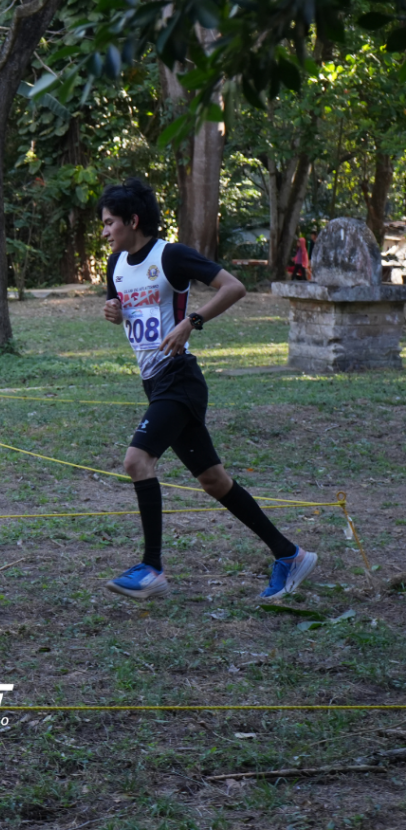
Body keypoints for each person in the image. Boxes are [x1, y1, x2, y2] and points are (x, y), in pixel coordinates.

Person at [98, 178, 317, 601]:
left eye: (110, 223)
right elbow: (123, 308)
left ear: (133, 220)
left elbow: (234, 287)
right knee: (214, 480)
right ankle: (290, 555)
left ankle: (151, 568)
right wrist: (113, 311)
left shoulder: (171, 255)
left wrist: (191, 321)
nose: (105, 232)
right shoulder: (116, 264)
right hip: (154, 383)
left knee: (137, 461)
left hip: (179, 380)